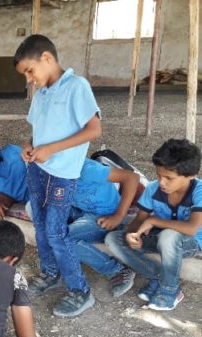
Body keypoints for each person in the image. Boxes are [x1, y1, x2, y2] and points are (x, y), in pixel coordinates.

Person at [14, 34, 102, 317]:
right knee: (39, 225)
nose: (29, 78)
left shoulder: (77, 86)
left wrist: (51, 149)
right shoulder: (41, 93)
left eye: (30, 71)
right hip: (38, 170)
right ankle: (50, 273)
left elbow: (94, 130)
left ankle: (80, 290)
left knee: (55, 231)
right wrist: (30, 146)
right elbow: (37, 130)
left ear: (47, 59)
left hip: (62, 175)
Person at [105, 139, 202, 311]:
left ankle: (169, 291)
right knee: (113, 238)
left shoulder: (199, 191)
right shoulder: (153, 188)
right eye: (159, 175)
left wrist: (153, 220)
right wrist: (132, 234)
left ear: (190, 176)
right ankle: (159, 278)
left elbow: (192, 228)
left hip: (191, 242)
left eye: (169, 178)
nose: (162, 182)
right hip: (159, 239)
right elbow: (138, 221)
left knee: (168, 236)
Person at [67, 159, 140, 297]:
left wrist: (118, 216)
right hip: (77, 209)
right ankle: (58, 259)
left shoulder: (87, 169)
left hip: (104, 216)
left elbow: (132, 178)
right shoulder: (50, 168)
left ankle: (116, 270)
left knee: (64, 239)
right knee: (35, 209)